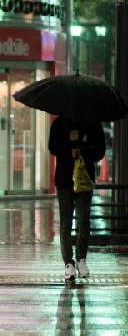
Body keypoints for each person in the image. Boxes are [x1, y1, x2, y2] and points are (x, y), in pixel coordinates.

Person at [48, 115, 105, 282]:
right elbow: (53, 147)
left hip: (84, 180)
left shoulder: (93, 123)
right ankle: (68, 263)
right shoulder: (59, 123)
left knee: (83, 220)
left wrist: (82, 148)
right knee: (65, 222)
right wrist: (69, 143)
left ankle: (81, 259)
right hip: (65, 180)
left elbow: (99, 150)